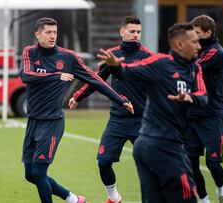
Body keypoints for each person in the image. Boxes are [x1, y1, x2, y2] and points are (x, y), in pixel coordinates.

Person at [19, 17, 134, 203]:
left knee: (39, 173)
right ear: (37, 34)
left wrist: (120, 100)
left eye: (55, 32)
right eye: (48, 32)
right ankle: (73, 199)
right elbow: (26, 76)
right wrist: (56, 76)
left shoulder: (68, 57)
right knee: (30, 175)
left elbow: (95, 79)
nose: (52, 36)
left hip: (52, 122)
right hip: (33, 121)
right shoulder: (30, 52)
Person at [98, 23, 207, 203]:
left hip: (157, 144)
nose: (199, 46)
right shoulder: (160, 63)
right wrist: (114, 67)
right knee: (187, 199)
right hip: (162, 145)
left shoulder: (195, 69)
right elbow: (127, 72)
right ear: (180, 44)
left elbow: (203, 97)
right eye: (194, 42)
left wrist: (191, 98)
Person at [68, 15, 154, 203]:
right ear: (122, 32)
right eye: (132, 31)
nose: (136, 35)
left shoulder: (148, 56)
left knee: (150, 166)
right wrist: (78, 96)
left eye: (138, 32)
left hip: (143, 121)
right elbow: (97, 79)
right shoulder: (112, 55)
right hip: (118, 120)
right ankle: (114, 197)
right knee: (104, 161)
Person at [186, 15, 223, 203]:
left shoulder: (216, 52)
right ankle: (204, 201)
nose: (193, 37)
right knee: (190, 163)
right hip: (191, 114)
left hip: (212, 114)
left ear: (208, 33)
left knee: (212, 163)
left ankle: (220, 190)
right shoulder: (194, 50)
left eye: (197, 33)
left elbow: (193, 68)